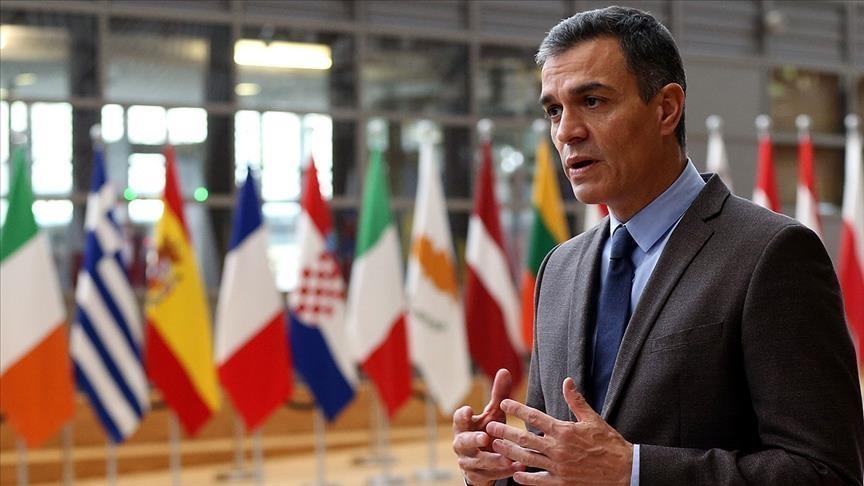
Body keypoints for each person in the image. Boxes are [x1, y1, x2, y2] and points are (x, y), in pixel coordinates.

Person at [452, 6, 864, 485]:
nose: (566, 132)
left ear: (666, 108)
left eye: (592, 101)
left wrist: (634, 470)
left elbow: (827, 472)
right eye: (554, 111)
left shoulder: (773, 254)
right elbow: (560, 462)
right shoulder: (559, 268)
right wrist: (495, 470)